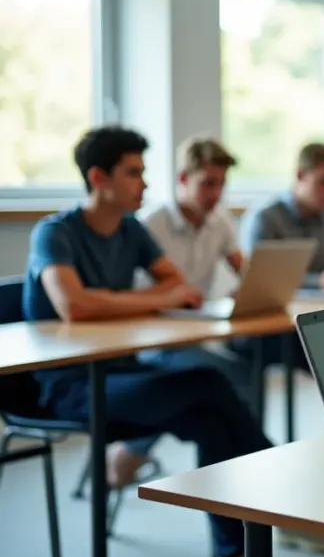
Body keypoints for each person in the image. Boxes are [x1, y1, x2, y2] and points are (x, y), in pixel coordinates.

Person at [22, 126, 275, 557]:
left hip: (124, 372)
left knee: (213, 420)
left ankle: (232, 555)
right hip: (69, 386)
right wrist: (152, 298)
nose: (145, 183)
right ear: (99, 178)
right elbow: (74, 305)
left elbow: (176, 286)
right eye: (133, 172)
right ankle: (279, 478)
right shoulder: (53, 233)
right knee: (210, 382)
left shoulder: (131, 230)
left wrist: (138, 298)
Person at [108, 137, 253, 486]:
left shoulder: (219, 223)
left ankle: (236, 459)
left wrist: (249, 288)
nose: (216, 193)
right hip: (153, 340)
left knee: (239, 370)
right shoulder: (150, 223)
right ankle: (132, 451)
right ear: (183, 179)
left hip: (192, 333)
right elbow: (130, 294)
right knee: (218, 375)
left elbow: (245, 273)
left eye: (221, 184)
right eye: (207, 183)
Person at [233, 142, 324, 375]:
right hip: (269, 323)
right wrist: (320, 281)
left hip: (313, 318)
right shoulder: (265, 217)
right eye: (323, 181)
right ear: (300, 175)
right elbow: (262, 279)